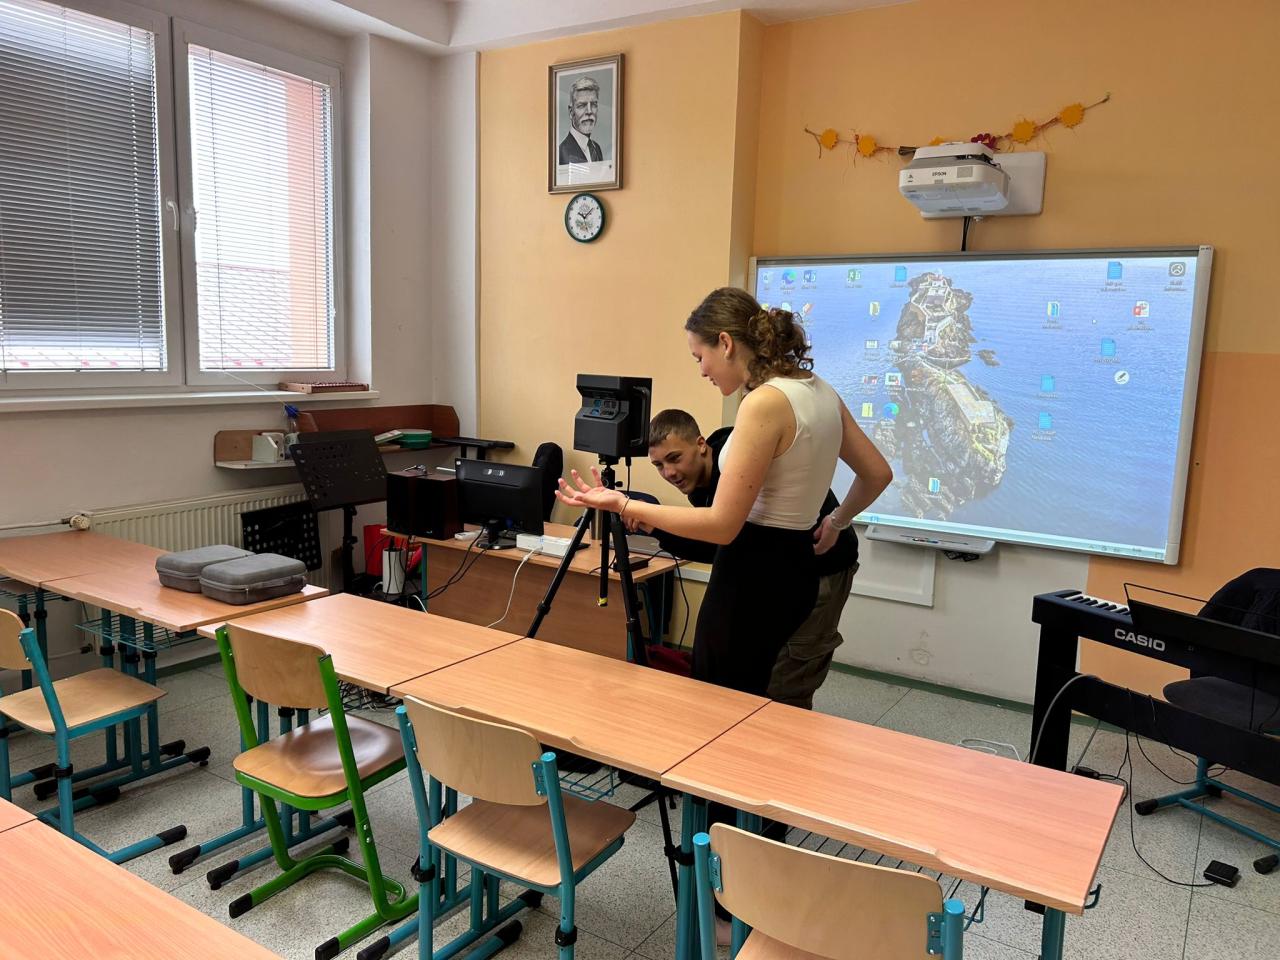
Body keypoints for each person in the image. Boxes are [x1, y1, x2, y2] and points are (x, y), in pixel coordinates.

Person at [557, 287, 892, 698]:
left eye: (700, 357)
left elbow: (722, 525)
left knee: (719, 705)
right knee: (772, 704)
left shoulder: (764, 403)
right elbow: (877, 474)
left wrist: (623, 503)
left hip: (753, 577)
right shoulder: (820, 391)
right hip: (796, 571)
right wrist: (836, 522)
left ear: (726, 343)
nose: (702, 371)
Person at [637, 408, 860, 709]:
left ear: (701, 444)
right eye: (659, 465)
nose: (669, 473)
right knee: (757, 674)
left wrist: (653, 520)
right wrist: (655, 527)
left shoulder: (736, 464)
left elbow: (722, 537)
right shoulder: (703, 480)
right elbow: (722, 545)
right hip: (774, 569)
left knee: (789, 678)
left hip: (822, 564)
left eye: (675, 458)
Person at [558, 76, 604, 164]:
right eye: (582, 105)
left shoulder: (596, 148)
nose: (589, 111)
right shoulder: (561, 153)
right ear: (571, 112)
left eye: (593, 104)